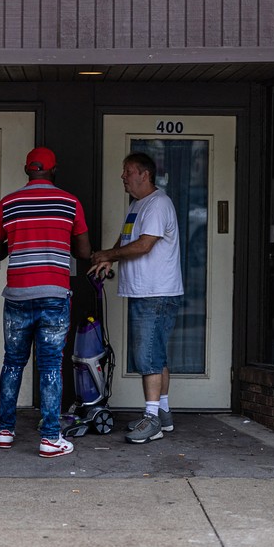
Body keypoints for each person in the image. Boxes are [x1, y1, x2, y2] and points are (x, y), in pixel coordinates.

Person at [0, 146, 92, 458]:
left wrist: (16, 244)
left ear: (26, 169)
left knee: (13, 363)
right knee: (50, 366)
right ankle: (49, 438)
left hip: (17, 295)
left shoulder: (8, 203)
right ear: (53, 170)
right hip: (54, 296)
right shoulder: (70, 203)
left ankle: (4, 432)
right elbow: (84, 253)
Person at [89, 152, 183, 444]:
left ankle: (152, 418)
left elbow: (143, 246)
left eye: (128, 171)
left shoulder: (157, 204)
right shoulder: (138, 204)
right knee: (156, 353)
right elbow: (127, 239)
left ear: (145, 174)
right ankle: (163, 414)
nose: (123, 176)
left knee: (148, 356)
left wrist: (107, 254)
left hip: (156, 292)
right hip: (146, 290)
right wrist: (110, 259)